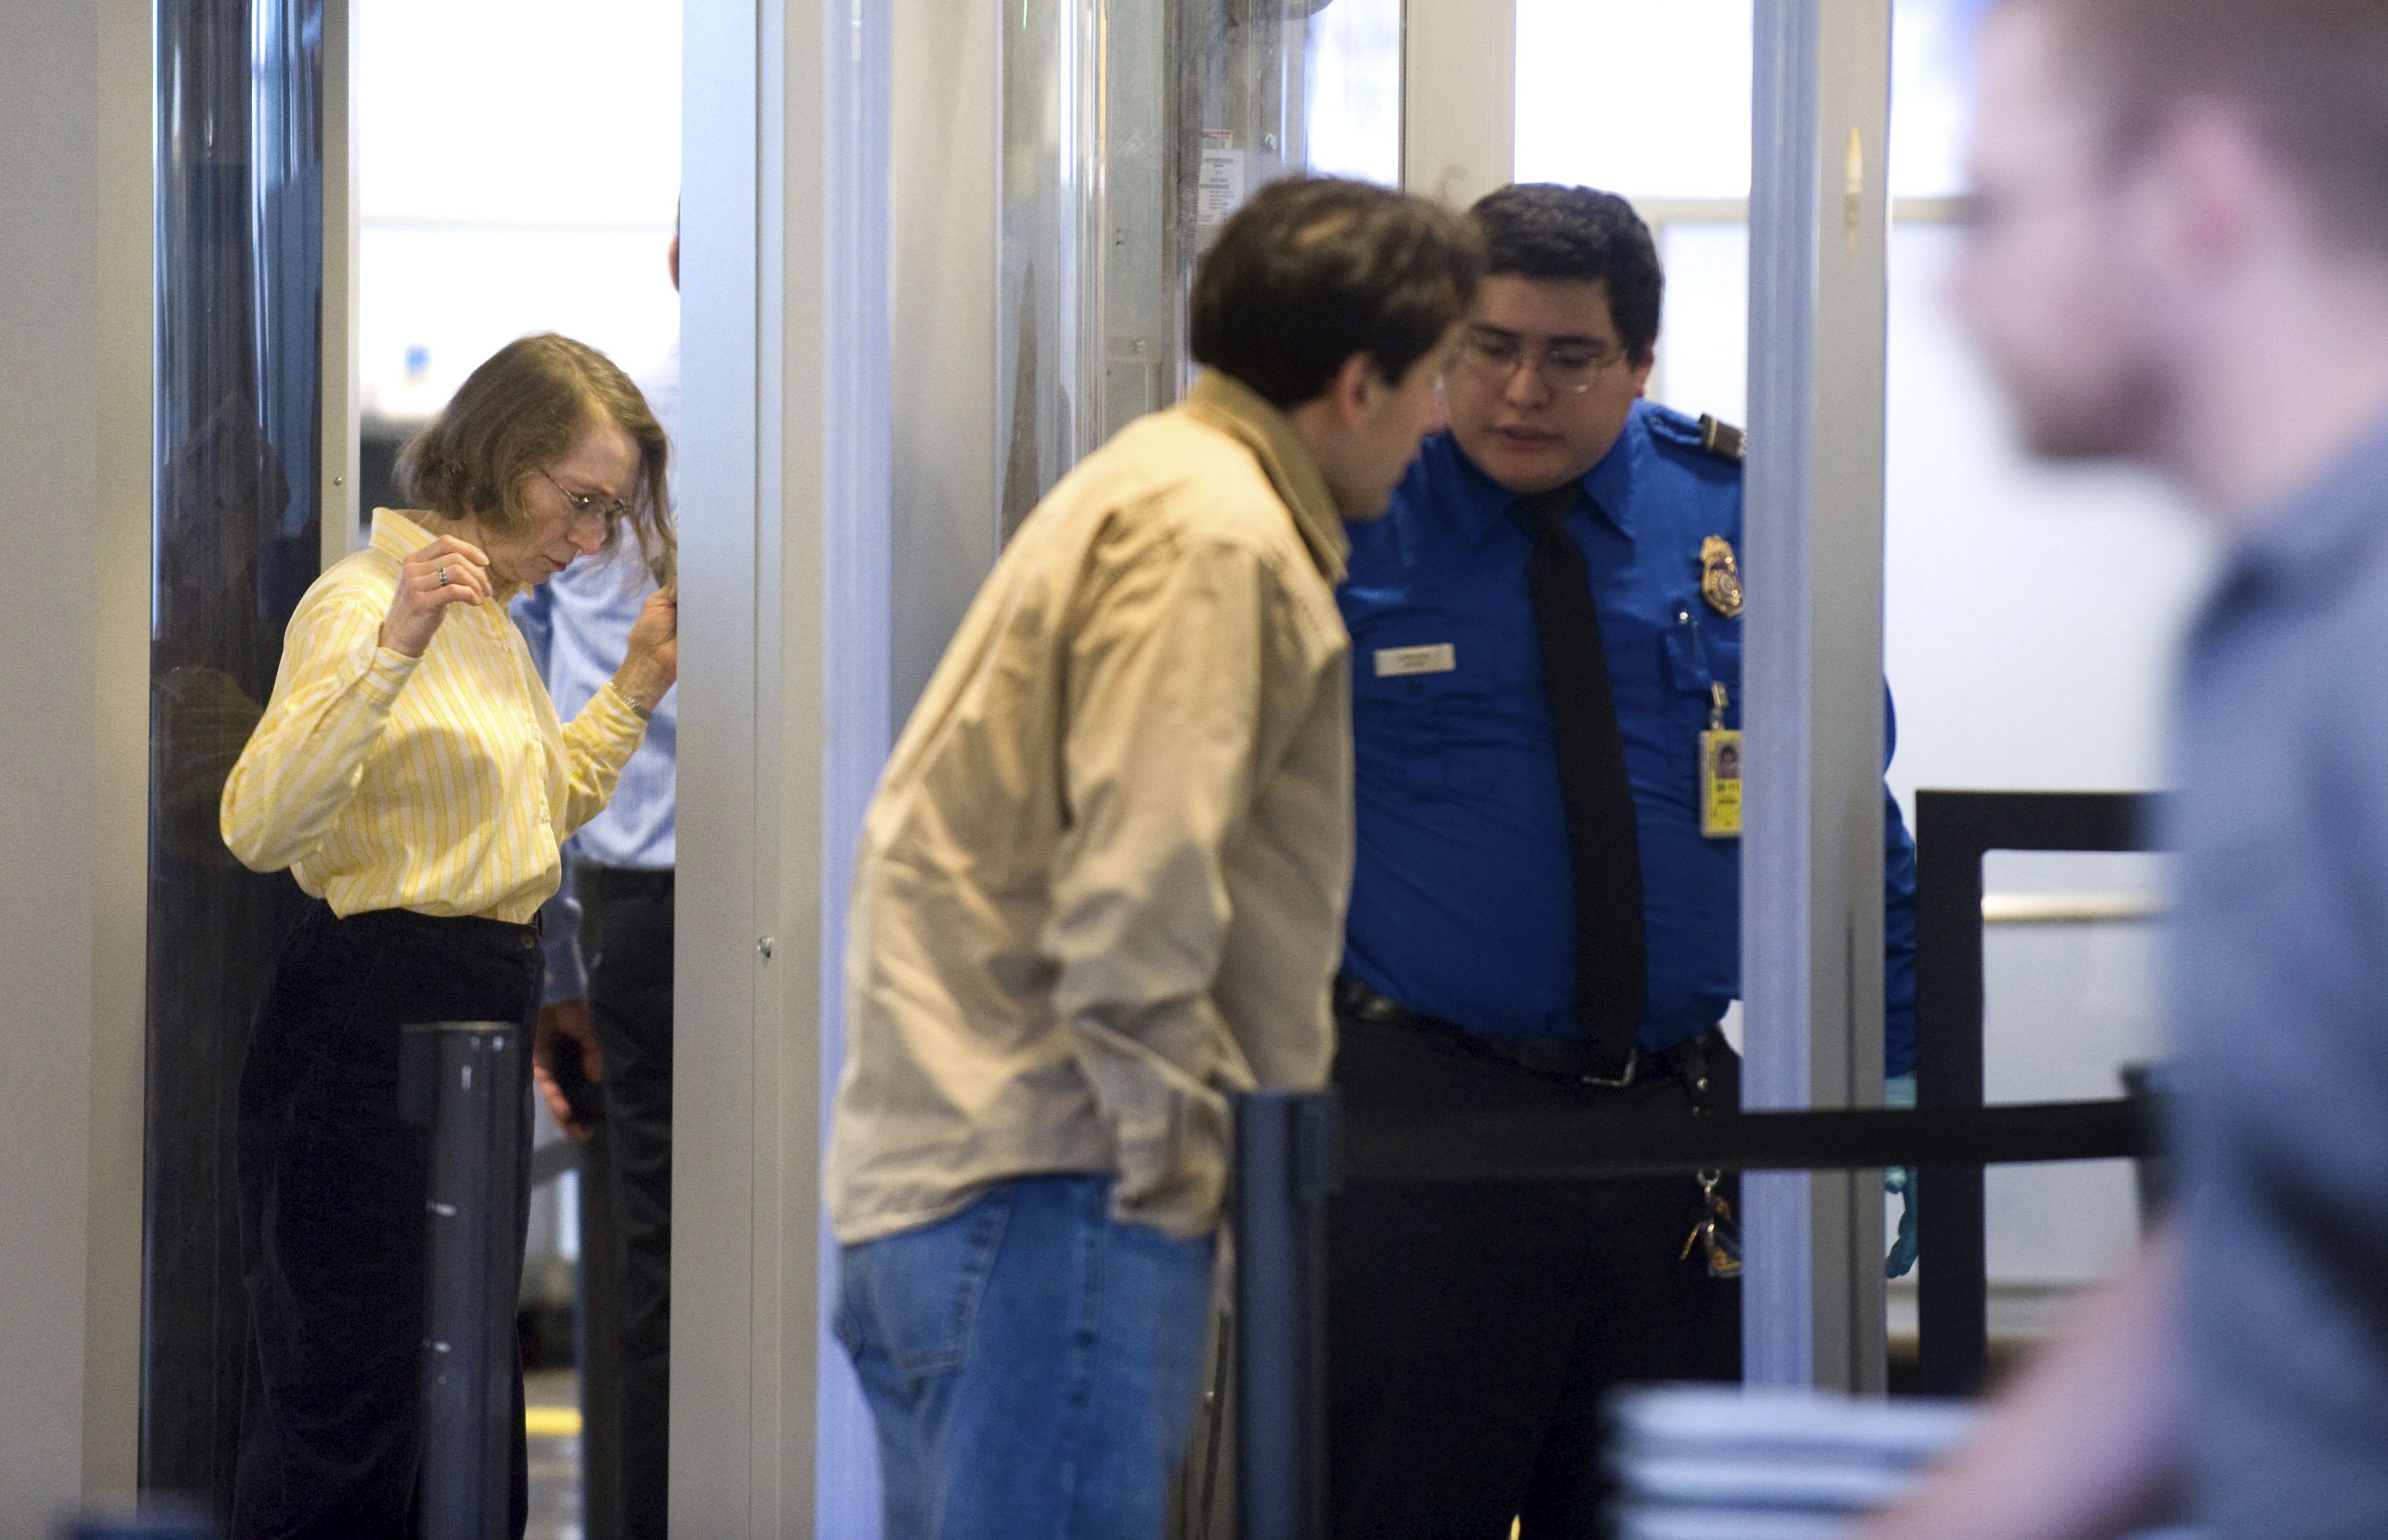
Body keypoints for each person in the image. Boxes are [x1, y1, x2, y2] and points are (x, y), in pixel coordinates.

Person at [824, 175, 1482, 1539]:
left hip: (990, 1187)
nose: (1440, 422)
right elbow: (1138, 896)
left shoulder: (1157, 487)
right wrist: (1176, 1171)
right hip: (1059, 1196)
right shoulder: (1215, 536)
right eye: (1430, 381)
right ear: (1357, 386)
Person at [1861, 1, 2388, 1537]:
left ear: (2195, 194)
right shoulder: (2282, 618)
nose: (1952, 287)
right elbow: (2276, 1222)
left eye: (1993, 207)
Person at [1327, 182, 1919, 1539]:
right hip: (1425, 1121)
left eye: (1569, 356)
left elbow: (1850, 821)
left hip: (1673, 1137)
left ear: (1640, 360)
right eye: (1486, 347)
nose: (1520, 389)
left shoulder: (1737, 516)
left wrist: (1898, 1084)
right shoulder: (1353, 515)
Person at [219, 332, 678, 1539]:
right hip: (373, 1018)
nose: (587, 542)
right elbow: (260, 825)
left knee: (458, 1394)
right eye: (579, 504)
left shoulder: (493, 628)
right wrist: (391, 653)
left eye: (605, 517)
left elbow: (523, 819)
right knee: (353, 1397)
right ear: (501, 456)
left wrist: (630, 690)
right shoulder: (368, 603)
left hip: (473, 1007)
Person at [517, 225, 681, 1539]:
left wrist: (558, 962)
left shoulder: (631, 430)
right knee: (673, 1264)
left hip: (634, 906)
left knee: (651, 1259)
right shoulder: (640, 433)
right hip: (666, 901)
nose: (587, 533)